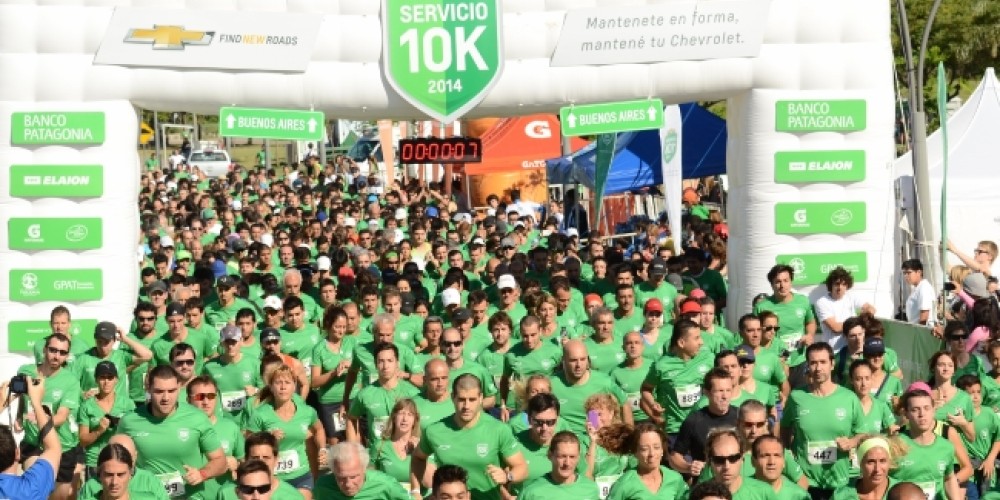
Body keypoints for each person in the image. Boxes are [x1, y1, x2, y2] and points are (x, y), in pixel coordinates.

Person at [116, 365, 227, 500]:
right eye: (159, 391)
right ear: (148, 389)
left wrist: (202, 474)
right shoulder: (129, 421)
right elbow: (116, 462)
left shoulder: (197, 418)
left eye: (171, 391)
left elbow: (221, 461)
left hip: (190, 496)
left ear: (180, 387)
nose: (166, 398)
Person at [411, 374, 528, 500]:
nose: (466, 406)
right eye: (461, 399)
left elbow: (522, 467)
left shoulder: (498, 429)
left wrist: (507, 476)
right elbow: (418, 457)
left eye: (472, 400)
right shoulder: (434, 431)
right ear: (453, 398)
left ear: (481, 398)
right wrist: (415, 491)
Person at [781, 343, 863, 498]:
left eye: (823, 362)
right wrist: (789, 454)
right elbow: (784, 428)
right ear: (808, 365)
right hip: (805, 482)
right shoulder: (797, 396)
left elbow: (863, 432)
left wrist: (852, 442)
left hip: (840, 482)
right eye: (813, 363)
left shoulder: (849, 397)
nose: (818, 368)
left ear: (832, 364)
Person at [16, 333, 83, 500]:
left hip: (63, 446)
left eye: (62, 352)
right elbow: (22, 398)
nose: (57, 356)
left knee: (60, 497)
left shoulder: (71, 381)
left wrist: (40, 417)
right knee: (37, 486)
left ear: (67, 356)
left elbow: (61, 416)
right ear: (45, 349)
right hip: (34, 444)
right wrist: (19, 417)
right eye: (53, 350)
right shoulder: (26, 371)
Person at [244, 364, 325, 496]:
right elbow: (248, 442)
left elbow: (319, 429)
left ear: (294, 386)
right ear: (271, 386)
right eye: (278, 383)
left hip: (301, 474)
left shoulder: (307, 411)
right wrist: (267, 437)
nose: (283, 387)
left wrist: (322, 448)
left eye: (287, 382)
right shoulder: (260, 414)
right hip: (271, 476)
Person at [640, 319, 714, 441]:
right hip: (675, 431)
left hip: (702, 426)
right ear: (681, 342)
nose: (701, 342)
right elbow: (645, 390)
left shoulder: (708, 358)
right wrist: (653, 405)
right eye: (696, 338)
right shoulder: (661, 366)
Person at [891, 389, 964, 500]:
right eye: (915, 410)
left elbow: (949, 478)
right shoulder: (894, 444)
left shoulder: (946, 447)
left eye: (926, 408)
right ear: (906, 414)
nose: (922, 414)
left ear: (933, 410)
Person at [346, 342, 420, 445]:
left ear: (397, 363)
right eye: (381, 361)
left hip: (405, 456)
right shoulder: (365, 394)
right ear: (375, 364)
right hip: (376, 456)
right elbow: (351, 418)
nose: (385, 366)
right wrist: (352, 448)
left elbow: (420, 422)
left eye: (390, 361)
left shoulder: (412, 393)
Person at [670, 368, 739, 477]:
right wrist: (689, 467)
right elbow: (674, 457)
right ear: (706, 392)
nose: (725, 396)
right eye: (719, 391)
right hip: (706, 485)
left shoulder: (740, 417)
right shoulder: (694, 421)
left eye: (728, 390)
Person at [550, 340, 630, 433]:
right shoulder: (552, 384)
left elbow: (624, 404)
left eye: (583, 359)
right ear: (564, 360)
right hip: (564, 442)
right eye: (573, 360)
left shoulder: (603, 382)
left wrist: (629, 438)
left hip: (594, 439)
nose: (578, 365)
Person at [0, 375, 60, 498]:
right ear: (17, 453)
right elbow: (54, 448)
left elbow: (54, 449)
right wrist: (37, 403)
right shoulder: (31, 488)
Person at [187, 376, 245, 494]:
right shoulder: (182, 429)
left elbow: (246, 462)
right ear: (189, 400)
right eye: (200, 397)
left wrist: (237, 464)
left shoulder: (231, 427)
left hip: (223, 495)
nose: (206, 402)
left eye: (211, 396)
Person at [601, 422, 688, 500]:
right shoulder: (624, 483)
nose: (652, 454)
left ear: (662, 449)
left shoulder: (675, 479)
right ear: (635, 452)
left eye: (656, 447)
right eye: (644, 449)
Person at [311, 306, 357, 445]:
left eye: (344, 327)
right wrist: (333, 373)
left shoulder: (352, 342)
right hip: (330, 401)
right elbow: (314, 382)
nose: (341, 330)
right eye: (337, 326)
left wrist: (353, 365)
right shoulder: (319, 349)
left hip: (352, 397)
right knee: (335, 441)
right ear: (328, 325)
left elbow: (365, 367)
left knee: (355, 438)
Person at [753, 264, 817, 365]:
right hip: (775, 361)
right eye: (778, 282)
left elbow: (810, 322)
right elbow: (755, 334)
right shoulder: (761, 307)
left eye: (786, 280)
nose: (782, 285)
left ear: (791, 281)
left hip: (800, 360)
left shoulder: (803, 301)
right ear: (772, 284)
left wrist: (809, 335)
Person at [78, 361, 133, 479]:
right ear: (96, 380)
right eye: (102, 378)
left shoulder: (127, 404)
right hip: (95, 461)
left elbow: (134, 433)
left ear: (116, 380)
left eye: (110, 377)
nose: (106, 382)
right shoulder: (86, 406)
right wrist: (98, 430)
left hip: (121, 460)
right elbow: (82, 440)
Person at [215, 433, 304, 499]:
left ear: (276, 460)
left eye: (266, 457)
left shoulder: (293, 497)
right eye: (255, 457)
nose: (261, 462)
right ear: (246, 459)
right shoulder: (226, 493)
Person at [518, 431, 599, 499]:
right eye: (562, 456)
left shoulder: (591, 489)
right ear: (550, 455)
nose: (567, 463)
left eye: (572, 457)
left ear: (578, 458)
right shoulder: (531, 492)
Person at [314, 441, 409, 499]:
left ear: (364, 469)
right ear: (333, 471)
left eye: (353, 477)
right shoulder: (322, 487)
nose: (348, 484)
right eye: (341, 478)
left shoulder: (386, 485)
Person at [370, 399, 427, 494]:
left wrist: (419, 451)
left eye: (410, 414)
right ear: (394, 417)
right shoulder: (379, 446)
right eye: (401, 413)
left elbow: (430, 482)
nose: (405, 419)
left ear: (415, 420)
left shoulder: (423, 445)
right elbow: (369, 479)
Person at [814, 267, 876, 352]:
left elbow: (871, 309)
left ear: (847, 286)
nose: (840, 287)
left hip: (855, 349)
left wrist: (865, 314)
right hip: (835, 350)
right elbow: (835, 328)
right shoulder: (822, 302)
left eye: (843, 284)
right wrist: (860, 320)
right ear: (830, 285)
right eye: (837, 284)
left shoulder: (852, 297)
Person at [703, 427, 774, 499]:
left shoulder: (763, 492)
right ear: (709, 461)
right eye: (719, 460)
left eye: (733, 458)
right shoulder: (701, 496)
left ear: (742, 459)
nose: (727, 466)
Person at [830, 436, 902, 500]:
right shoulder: (842, 495)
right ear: (860, 463)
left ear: (889, 462)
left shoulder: (903, 492)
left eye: (882, 461)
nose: (877, 469)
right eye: (871, 462)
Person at [901, 259, 937, 326]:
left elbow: (924, 315)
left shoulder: (924, 288)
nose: (906, 276)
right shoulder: (918, 288)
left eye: (909, 273)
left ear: (919, 272)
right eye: (904, 273)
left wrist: (918, 333)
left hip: (922, 331)